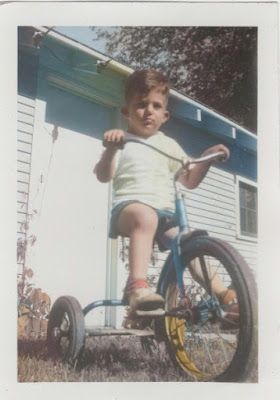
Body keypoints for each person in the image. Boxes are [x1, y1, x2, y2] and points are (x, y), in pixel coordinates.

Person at [94, 69, 238, 319]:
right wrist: (109, 150)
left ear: (165, 115)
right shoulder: (122, 140)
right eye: (140, 105)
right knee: (146, 216)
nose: (148, 110)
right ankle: (136, 286)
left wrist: (206, 159)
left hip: (164, 217)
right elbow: (103, 175)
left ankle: (225, 296)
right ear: (127, 111)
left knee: (190, 244)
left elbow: (190, 179)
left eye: (156, 106)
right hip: (129, 210)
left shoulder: (169, 145)